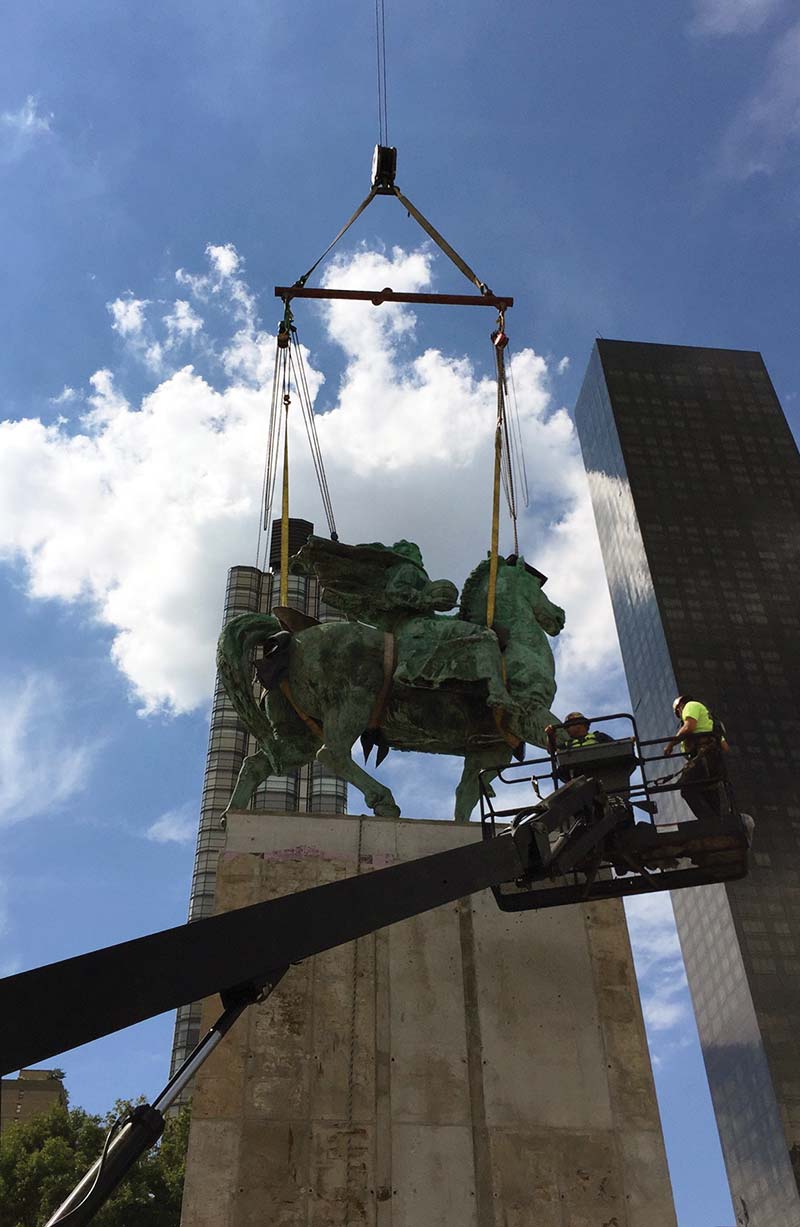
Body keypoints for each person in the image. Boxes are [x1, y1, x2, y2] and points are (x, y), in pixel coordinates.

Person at [664, 694, 729, 821]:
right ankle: (718, 823)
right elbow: (725, 747)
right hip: (715, 761)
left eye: (678, 713)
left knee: (686, 787)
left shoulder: (690, 706)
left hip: (703, 757)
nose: (681, 715)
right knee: (707, 791)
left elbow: (689, 727)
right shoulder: (710, 722)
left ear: (679, 707)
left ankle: (709, 823)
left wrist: (671, 744)